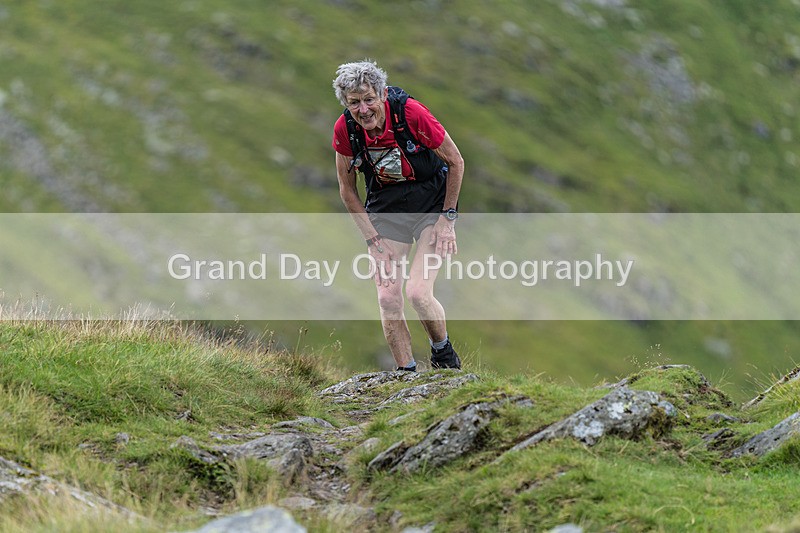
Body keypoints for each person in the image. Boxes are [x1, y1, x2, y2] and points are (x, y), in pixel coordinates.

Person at [331, 59, 464, 372]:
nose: (363, 110)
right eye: (354, 103)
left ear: (382, 94)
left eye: (368, 99)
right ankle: (406, 375)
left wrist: (448, 219)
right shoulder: (345, 129)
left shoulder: (411, 113)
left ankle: (443, 353)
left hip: (431, 202)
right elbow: (347, 191)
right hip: (387, 207)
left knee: (418, 293)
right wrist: (372, 240)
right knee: (388, 298)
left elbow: (456, 161)